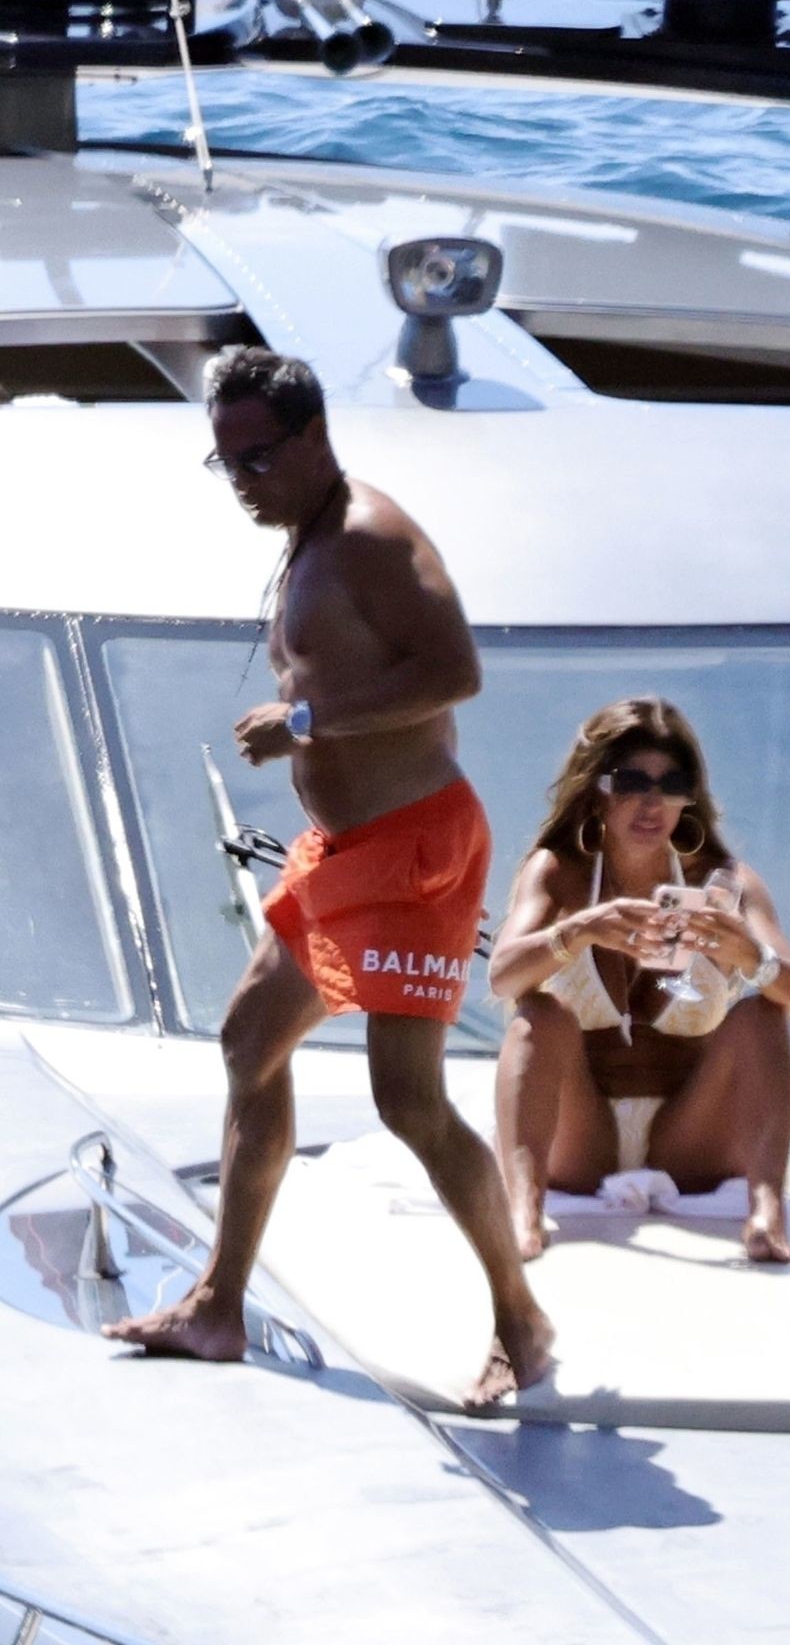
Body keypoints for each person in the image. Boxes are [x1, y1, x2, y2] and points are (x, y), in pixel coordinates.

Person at [104, 346, 552, 1406]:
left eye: (258, 458)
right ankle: (218, 1306)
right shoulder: (306, 535)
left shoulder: (369, 536)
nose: (242, 482)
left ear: (312, 437)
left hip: (416, 849)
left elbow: (455, 672)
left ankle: (521, 1322)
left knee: (409, 1103)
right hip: (347, 850)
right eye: (226, 463)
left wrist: (306, 720)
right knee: (248, 1042)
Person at [491, 698, 790, 1264]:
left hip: (689, 1139)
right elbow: (502, 976)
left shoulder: (725, 882)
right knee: (538, 1013)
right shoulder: (559, 872)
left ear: (690, 797)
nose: (652, 802)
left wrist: (748, 953)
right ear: (597, 789)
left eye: (672, 785)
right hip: (578, 1139)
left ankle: (767, 1213)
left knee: (763, 1011)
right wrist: (580, 929)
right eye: (632, 782)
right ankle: (524, 1212)